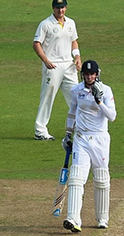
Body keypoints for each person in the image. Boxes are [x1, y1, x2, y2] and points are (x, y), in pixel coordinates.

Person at [62, 60, 117, 232]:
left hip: (100, 139)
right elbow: (72, 112)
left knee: (101, 178)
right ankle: (73, 219)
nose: (89, 77)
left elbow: (112, 116)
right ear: (82, 75)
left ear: (97, 74)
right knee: (76, 177)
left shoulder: (106, 90)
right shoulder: (76, 90)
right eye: (86, 74)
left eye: (92, 74)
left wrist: (99, 101)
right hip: (81, 138)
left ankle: (102, 218)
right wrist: (68, 134)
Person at [33, 0, 82, 141]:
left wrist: (77, 56)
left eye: (62, 7)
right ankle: (40, 130)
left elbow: (74, 41)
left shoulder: (71, 23)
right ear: (53, 8)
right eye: (57, 8)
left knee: (77, 97)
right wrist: (45, 60)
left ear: (66, 8)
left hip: (69, 66)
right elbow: (36, 44)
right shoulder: (45, 24)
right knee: (47, 97)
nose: (60, 10)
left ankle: (81, 127)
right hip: (53, 66)